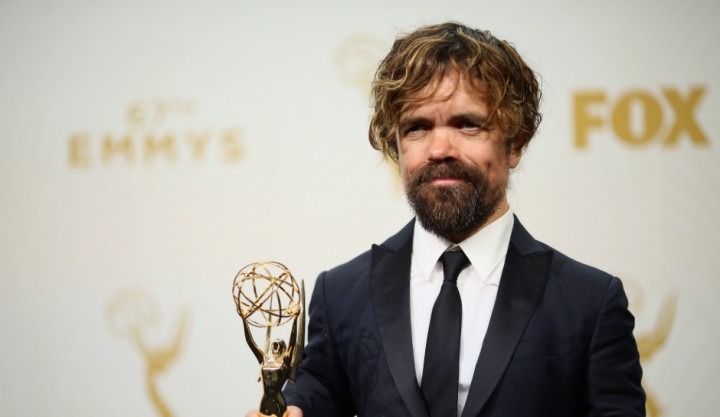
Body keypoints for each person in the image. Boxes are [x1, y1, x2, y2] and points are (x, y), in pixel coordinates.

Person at [246, 21, 645, 417]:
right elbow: (315, 392)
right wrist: (290, 410)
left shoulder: (588, 303)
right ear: (396, 146)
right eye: (417, 128)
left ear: (515, 144)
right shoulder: (341, 295)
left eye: (467, 124)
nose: (439, 149)